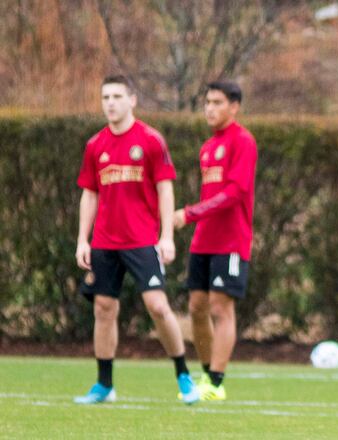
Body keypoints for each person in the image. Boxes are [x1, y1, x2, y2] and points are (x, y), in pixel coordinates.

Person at [74, 75, 199, 404]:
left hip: (142, 241)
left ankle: (184, 376)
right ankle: (104, 385)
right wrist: (83, 240)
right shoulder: (95, 145)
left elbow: (165, 189)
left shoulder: (150, 140)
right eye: (105, 97)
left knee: (157, 305)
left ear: (132, 100)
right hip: (104, 242)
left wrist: (166, 236)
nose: (110, 103)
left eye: (117, 96)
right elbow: (90, 194)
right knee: (104, 308)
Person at [174, 81, 258, 401]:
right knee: (196, 308)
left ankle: (216, 383)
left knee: (221, 307)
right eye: (207, 102)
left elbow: (235, 193)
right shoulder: (208, 147)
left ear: (234, 107)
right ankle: (207, 375)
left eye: (217, 102)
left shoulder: (243, 141)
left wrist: (190, 213)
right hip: (203, 240)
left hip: (230, 241)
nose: (210, 108)